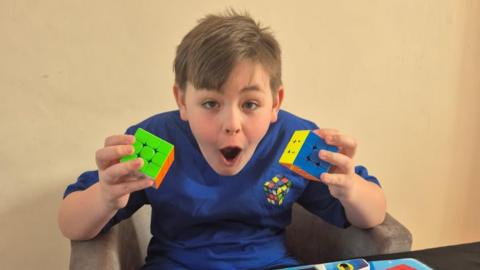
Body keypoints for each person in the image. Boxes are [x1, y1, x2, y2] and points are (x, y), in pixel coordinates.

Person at [58, 9, 386, 270]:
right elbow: (71, 224)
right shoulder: (154, 141)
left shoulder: (295, 142)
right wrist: (104, 196)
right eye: (211, 104)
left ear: (276, 102)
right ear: (182, 101)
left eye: (250, 104)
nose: (231, 124)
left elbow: (373, 215)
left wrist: (352, 189)